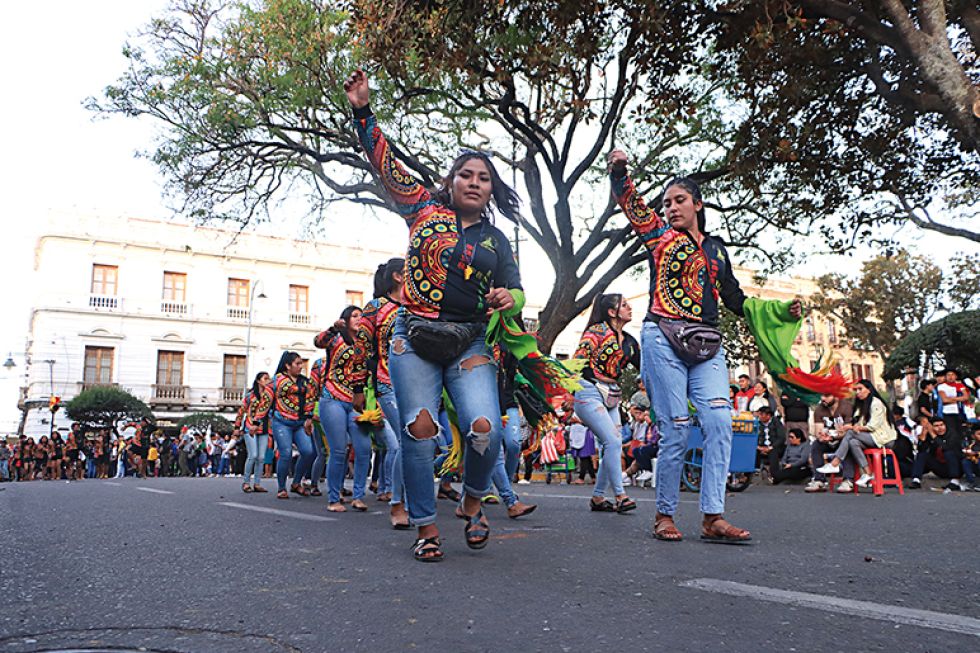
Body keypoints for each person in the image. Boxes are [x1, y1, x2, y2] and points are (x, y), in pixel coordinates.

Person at [347, 69, 522, 561]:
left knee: (486, 428)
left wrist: (511, 299)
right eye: (466, 174)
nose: (474, 182)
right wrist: (363, 111)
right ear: (451, 181)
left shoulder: (496, 240)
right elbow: (386, 164)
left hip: (469, 342)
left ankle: (471, 499)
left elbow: (517, 289)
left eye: (483, 178)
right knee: (419, 433)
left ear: (491, 190)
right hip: (413, 338)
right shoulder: (421, 209)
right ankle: (426, 528)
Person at [608, 148, 802, 542]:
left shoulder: (716, 250)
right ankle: (664, 515)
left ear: (698, 204)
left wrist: (782, 310)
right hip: (662, 337)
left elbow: (735, 297)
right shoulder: (659, 238)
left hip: (707, 344)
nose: (671, 208)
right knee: (677, 429)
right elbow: (630, 203)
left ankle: (713, 516)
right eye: (666, 203)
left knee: (718, 422)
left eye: (679, 200)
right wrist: (618, 171)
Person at [570, 293, 639, 515]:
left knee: (613, 444)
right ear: (612, 312)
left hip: (611, 394)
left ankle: (599, 497)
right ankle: (620, 495)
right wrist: (565, 394)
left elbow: (645, 369)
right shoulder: (595, 332)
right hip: (588, 389)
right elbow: (578, 359)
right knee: (612, 440)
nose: (630, 308)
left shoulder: (630, 342)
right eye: (625, 305)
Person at [356, 258, 411, 528]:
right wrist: (358, 388)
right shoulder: (375, 308)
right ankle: (397, 503)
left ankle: (414, 500)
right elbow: (361, 350)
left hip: (419, 384)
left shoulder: (418, 305)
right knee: (404, 442)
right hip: (386, 382)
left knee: (423, 442)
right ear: (398, 276)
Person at [312, 306, 373, 513]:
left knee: (364, 448)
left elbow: (364, 371)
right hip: (332, 399)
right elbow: (318, 341)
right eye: (355, 316)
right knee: (338, 450)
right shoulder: (336, 338)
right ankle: (334, 497)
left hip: (355, 402)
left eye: (361, 316)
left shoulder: (364, 343)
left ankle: (358, 496)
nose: (359, 319)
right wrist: (332, 328)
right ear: (345, 320)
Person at [252, 352, 317, 499]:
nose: (301, 366)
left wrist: (309, 418)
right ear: (287, 366)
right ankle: (282, 487)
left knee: (308, 452)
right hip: (282, 423)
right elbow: (265, 403)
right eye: (297, 364)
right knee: (286, 453)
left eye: (302, 363)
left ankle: (296, 483)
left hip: (300, 423)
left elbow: (310, 400)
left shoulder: (305, 383)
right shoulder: (275, 382)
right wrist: (256, 423)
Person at [816, 379, 897, 488]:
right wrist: (838, 433)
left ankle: (835, 463)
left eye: (860, 389)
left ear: (869, 390)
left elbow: (872, 427)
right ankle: (868, 473)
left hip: (884, 439)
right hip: (872, 438)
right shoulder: (861, 407)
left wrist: (850, 427)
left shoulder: (875, 403)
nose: (857, 392)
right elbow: (857, 426)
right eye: (856, 390)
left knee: (851, 433)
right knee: (853, 442)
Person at [806, 393, 855, 492]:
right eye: (822, 395)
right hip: (829, 439)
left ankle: (848, 480)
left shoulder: (846, 406)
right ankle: (819, 480)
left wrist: (834, 436)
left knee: (848, 443)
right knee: (816, 445)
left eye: (827, 396)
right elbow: (817, 431)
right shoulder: (819, 409)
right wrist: (822, 436)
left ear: (836, 395)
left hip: (843, 439)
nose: (823, 398)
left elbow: (848, 432)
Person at [235, 371, 272, 493]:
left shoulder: (269, 395)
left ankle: (257, 483)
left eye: (268, 378)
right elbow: (241, 411)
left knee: (261, 457)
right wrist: (237, 427)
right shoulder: (250, 395)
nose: (268, 380)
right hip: (250, 427)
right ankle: (246, 482)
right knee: (253, 455)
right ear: (258, 381)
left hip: (264, 428)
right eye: (265, 378)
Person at [909, 417, 952, 489]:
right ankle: (916, 480)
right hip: (938, 466)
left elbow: (945, 447)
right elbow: (921, 450)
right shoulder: (930, 436)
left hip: (951, 467)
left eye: (941, 425)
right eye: (936, 426)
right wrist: (924, 433)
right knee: (922, 455)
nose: (940, 428)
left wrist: (933, 434)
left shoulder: (950, 434)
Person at [755, 405, 786, 478]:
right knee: (754, 451)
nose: (760, 416)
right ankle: (754, 471)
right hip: (761, 446)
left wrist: (771, 447)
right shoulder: (757, 424)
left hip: (775, 447)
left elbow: (781, 438)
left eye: (762, 414)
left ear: (768, 415)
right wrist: (759, 447)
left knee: (773, 452)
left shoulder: (776, 423)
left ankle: (775, 475)